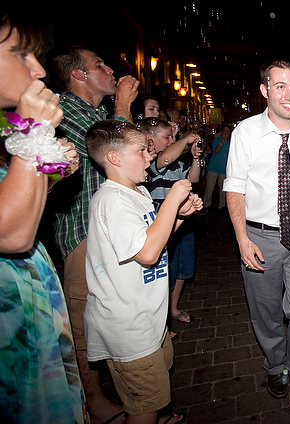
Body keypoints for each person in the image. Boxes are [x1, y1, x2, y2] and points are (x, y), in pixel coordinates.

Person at [0, 10, 88, 423]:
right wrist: (34, 133)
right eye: (21, 55)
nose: (37, 69)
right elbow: (12, 234)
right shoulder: (23, 124)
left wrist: (49, 177)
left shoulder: (3, 127)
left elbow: (17, 207)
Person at [84, 120, 201, 424]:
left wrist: (179, 217)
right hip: (129, 326)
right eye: (141, 150)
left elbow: (151, 242)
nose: (150, 156)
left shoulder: (136, 193)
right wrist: (173, 201)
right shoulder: (112, 201)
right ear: (114, 158)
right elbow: (149, 254)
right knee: (145, 400)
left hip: (147, 317)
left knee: (155, 391)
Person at [223, 60, 290, 413]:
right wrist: (241, 239)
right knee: (265, 313)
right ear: (265, 90)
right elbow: (233, 187)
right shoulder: (246, 132)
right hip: (259, 236)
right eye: (280, 86)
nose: (289, 95)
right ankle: (274, 366)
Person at [47, 44, 140, 424]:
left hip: (115, 227)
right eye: (99, 64)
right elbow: (110, 152)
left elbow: (136, 153)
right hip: (84, 234)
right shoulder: (63, 112)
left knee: (116, 311)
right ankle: (92, 402)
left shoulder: (99, 113)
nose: (109, 68)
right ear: (78, 75)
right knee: (84, 318)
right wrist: (121, 108)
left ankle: (133, 395)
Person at [141, 117, 202, 333]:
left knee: (183, 268)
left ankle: (172, 308)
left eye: (172, 137)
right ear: (150, 138)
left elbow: (193, 178)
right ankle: (161, 320)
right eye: (166, 137)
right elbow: (165, 158)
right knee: (164, 269)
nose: (170, 141)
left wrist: (195, 159)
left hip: (183, 221)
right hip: (162, 223)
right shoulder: (149, 161)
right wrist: (185, 139)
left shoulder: (177, 162)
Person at [204, 124, 231, 211]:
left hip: (224, 168)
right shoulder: (217, 139)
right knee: (209, 187)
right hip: (213, 167)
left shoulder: (231, 142)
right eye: (225, 131)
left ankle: (222, 205)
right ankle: (206, 204)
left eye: (228, 131)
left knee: (223, 188)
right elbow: (216, 150)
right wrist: (222, 140)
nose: (226, 133)